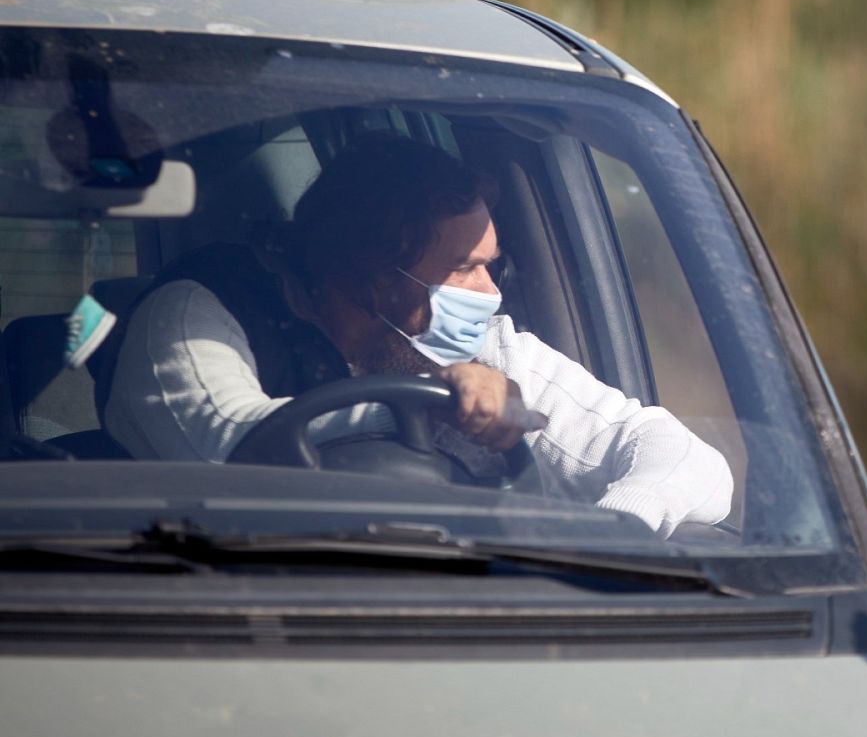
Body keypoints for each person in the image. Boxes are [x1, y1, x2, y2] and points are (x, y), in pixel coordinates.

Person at [101, 133, 732, 537]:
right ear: (376, 279)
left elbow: (680, 456)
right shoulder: (190, 319)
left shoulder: (479, 346)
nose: (491, 294)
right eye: (465, 268)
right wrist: (435, 410)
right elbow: (229, 451)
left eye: (492, 263)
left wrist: (614, 533)